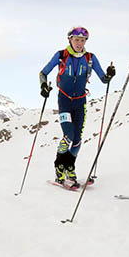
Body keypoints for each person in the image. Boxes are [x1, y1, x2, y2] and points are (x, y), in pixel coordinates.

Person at [39, 26, 116, 189]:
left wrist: (109, 74)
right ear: (70, 40)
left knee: (78, 139)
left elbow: (104, 79)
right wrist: (43, 86)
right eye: (77, 40)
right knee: (68, 135)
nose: (80, 43)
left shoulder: (90, 58)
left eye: (83, 40)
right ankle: (60, 167)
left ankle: (70, 167)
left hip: (80, 103)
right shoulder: (61, 56)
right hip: (65, 101)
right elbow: (43, 73)